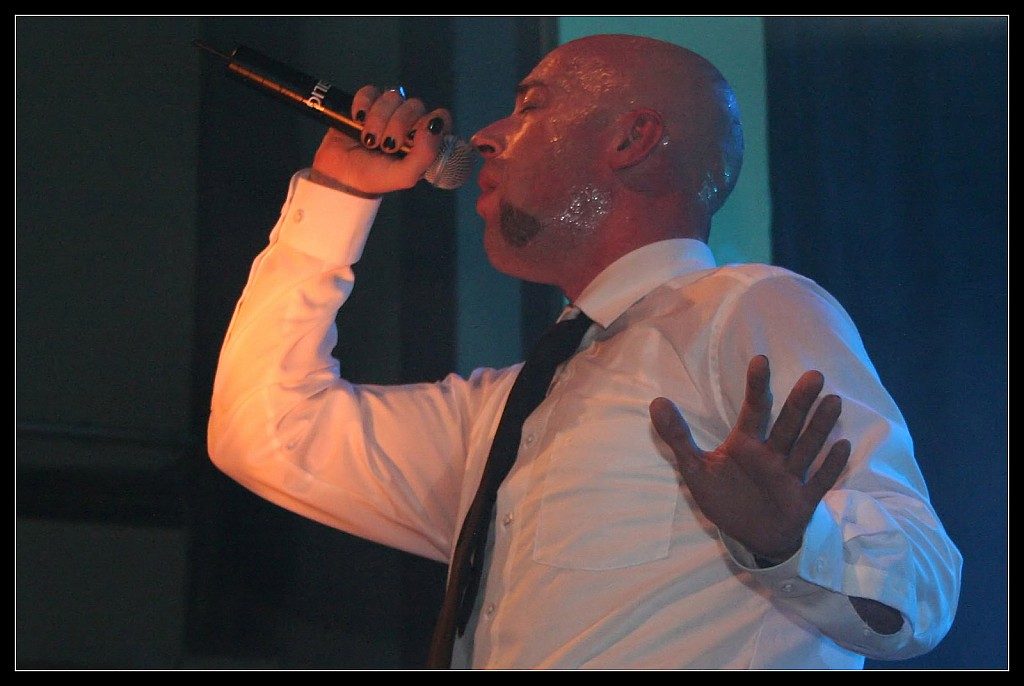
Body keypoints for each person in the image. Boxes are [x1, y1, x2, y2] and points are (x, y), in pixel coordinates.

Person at [207, 33, 962, 669]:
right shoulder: (504, 414)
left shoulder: (745, 308)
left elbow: (925, 585)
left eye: (529, 106)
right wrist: (338, 192)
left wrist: (795, 542)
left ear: (633, 140)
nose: (485, 135)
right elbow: (265, 431)